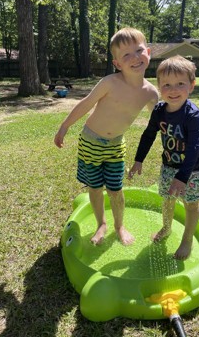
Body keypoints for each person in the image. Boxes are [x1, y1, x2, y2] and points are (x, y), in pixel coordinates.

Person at [54, 27, 158, 246]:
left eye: (139, 50)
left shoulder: (151, 93)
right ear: (117, 63)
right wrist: (65, 126)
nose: (135, 58)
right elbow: (86, 103)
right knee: (95, 187)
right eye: (126, 55)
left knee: (116, 189)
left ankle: (119, 226)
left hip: (116, 146)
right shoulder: (110, 82)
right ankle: (101, 223)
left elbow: (158, 122)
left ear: (148, 52)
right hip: (91, 141)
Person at [128, 55, 199, 260]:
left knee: (190, 203)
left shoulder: (193, 115)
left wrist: (182, 177)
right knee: (167, 198)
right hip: (168, 164)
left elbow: (194, 148)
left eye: (180, 84)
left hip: (191, 168)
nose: (173, 90)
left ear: (192, 85)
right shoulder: (160, 111)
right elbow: (149, 134)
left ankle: (187, 239)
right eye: (167, 85)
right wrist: (138, 160)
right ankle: (167, 227)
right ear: (159, 86)